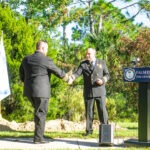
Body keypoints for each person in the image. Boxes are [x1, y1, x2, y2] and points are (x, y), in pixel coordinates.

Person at [19, 40, 69, 144]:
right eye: (46, 48)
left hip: (29, 92)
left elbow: (21, 75)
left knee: (38, 113)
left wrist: (28, 84)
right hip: (42, 92)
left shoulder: (26, 59)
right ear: (42, 48)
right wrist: (68, 79)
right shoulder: (45, 60)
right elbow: (58, 72)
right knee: (41, 113)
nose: (47, 51)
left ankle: (40, 134)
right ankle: (38, 139)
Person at [69, 48, 110, 136]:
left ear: (94, 54)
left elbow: (107, 75)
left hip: (100, 91)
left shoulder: (101, 62)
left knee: (102, 111)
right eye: (86, 54)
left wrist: (102, 80)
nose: (87, 55)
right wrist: (71, 78)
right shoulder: (83, 64)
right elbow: (77, 73)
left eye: (89, 54)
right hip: (89, 92)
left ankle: (105, 131)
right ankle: (89, 131)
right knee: (89, 112)